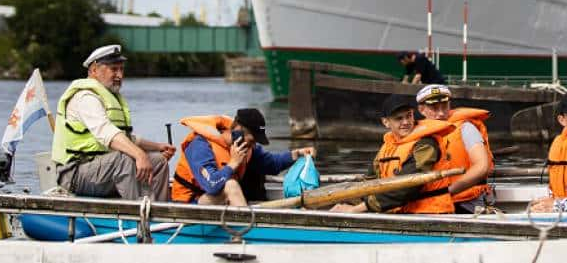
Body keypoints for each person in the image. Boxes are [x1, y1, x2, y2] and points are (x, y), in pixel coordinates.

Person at [51, 45, 175, 201]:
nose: (120, 75)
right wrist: (139, 154)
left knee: (157, 161)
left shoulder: (108, 97)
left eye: (121, 70)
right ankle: (140, 215)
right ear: (94, 70)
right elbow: (108, 134)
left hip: (101, 168)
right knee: (125, 159)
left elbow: (126, 138)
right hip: (75, 174)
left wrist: (158, 147)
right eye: (114, 69)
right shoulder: (86, 98)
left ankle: (160, 212)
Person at [331, 94, 455, 213]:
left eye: (409, 116)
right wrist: (348, 202)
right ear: (386, 122)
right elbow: (369, 181)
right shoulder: (388, 146)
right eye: (399, 118)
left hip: (430, 212)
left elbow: (407, 185)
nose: (406, 122)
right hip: (401, 211)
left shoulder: (426, 144)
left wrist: (355, 209)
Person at [170, 109, 315, 205]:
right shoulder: (200, 145)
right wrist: (232, 164)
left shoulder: (246, 147)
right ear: (237, 131)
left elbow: (272, 163)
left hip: (219, 203)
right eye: (252, 141)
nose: (253, 146)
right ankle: (248, 232)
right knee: (230, 184)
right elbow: (212, 186)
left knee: (254, 175)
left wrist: (298, 154)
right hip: (190, 204)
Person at [413, 84, 495, 214]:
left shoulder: (465, 128)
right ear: (421, 110)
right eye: (434, 108)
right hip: (433, 202)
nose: (440, 113)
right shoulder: (417, 134)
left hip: (466, 203)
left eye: (444, 106)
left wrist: (449, 191)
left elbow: (482, 166)